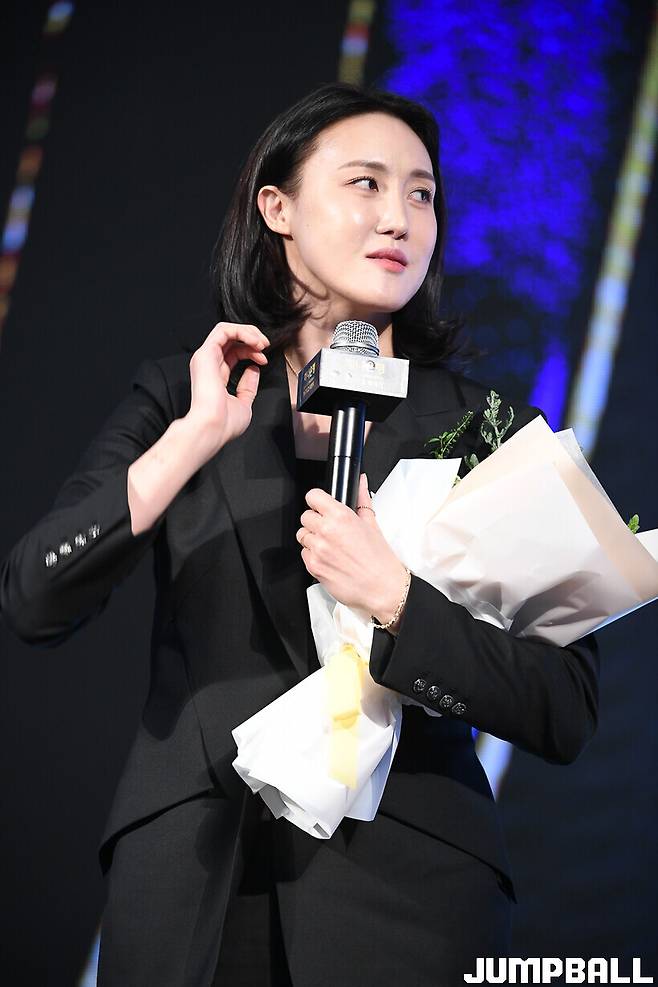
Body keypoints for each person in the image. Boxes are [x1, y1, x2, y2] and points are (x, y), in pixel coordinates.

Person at [0, 83, 599, 986]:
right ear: (277, 208)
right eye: (366, 183)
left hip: (406, 893)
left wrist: (399, 601)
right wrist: (194, 437)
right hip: (193, 880)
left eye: (423, 194)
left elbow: (565, 703)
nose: (399, 217)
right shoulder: (184, 395)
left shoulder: (489, 432)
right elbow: (36, 595)